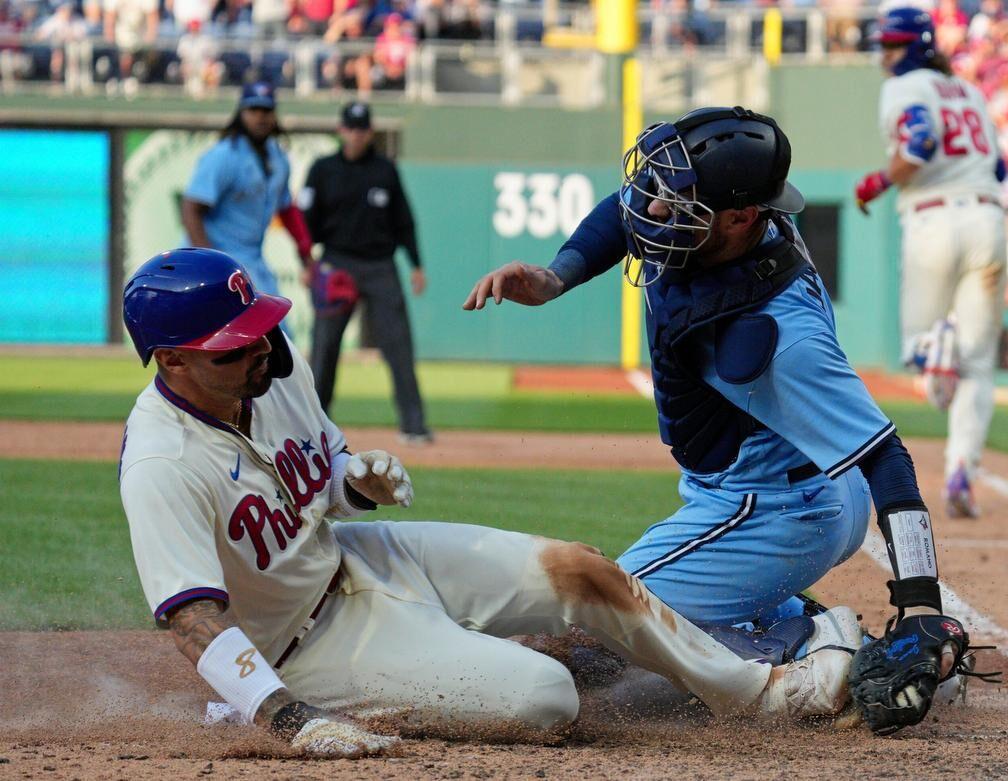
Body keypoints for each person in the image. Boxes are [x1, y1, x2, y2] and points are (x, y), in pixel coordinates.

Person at [117, 248, 886, 757]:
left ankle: (760, 695)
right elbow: (191, 617)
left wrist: (354, 478)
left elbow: (322, 483)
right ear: (175, 360)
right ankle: (346, 698)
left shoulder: (274, 372)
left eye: (260, 328)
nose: (262, 348)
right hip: (303, 649)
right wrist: (287, 716)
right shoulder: (162, 461)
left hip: (357, 560)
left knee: (584, 573)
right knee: (546, 698)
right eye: (234, 342)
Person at [464, 106, 977, 735]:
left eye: (675, 206)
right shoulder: (711, 226)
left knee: (591, 633)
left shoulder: (777, 336)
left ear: (740, 218)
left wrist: (922, 604)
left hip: (778, 512)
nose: (652, 212)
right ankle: (772, 614)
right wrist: (555, 276)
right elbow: (624, 210)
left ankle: (815, 646)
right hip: (785, 487)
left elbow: (885, 455)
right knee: (618, 621)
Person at [854, 6, 1007, 519]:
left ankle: (936, 350)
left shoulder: (904, 87)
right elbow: (1000, 164)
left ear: (911, 47)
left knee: (918, 349)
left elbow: (919, 143)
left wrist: (877, 182)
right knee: (979, 364)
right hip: (988, 218)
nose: (885, 54)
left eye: (891, 45)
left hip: (934, 218)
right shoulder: (969, 90)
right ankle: (963, 467)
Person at [300, 101, 432, 444]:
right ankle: (315, 429)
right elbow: (306, 224)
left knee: (398, 344)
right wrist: (307, 264)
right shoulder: (323, 169)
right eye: (351, 128)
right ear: (341, 130)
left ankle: (413, 425)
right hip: (336, 262)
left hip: (379, 265)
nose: (356, 134)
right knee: (325, 346)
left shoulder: (384, 170)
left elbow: (404, 220)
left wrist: (416, 264)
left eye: (362, 129)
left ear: (369, 131)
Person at [181, 81, 313, 298]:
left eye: (266, 110)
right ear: (241, 113)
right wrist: (210, 264)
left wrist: (307, 257)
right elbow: (191, 209)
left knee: (274, 328)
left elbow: (287, 209)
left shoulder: (278, 158)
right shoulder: (224, 155)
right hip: (214, 256)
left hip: (250, 260)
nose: (260, 117)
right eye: (254, 110)